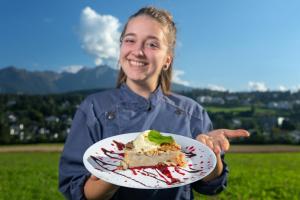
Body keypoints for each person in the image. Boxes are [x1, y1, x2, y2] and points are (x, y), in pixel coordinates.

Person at [59, 6, 250, 200]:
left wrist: (211, 154)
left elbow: (211, 186)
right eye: (130, 40)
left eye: (152, 44)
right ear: (120, 48)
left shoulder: (192, 112)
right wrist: (122, 167)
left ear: (167, 60)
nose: (138, 51)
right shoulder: (93, 108)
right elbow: (76, 189)